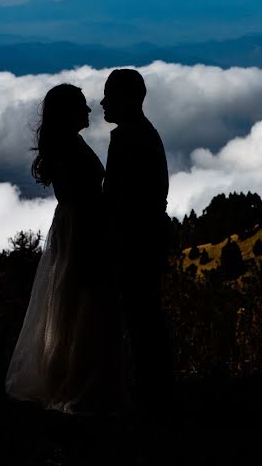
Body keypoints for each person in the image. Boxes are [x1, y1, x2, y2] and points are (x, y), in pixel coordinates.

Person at [5, 83, 124, 415]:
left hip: (75, 228)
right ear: (68, 113)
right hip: (82, 231)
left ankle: (70, 376)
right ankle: (76, 382)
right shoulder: (69, 149)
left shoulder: (66, 145)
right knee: (82, 304)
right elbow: (81, 195)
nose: (88, 111)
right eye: (81, 107)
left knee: (73, 304)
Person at [101, 69, 173, 411]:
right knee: (145, 319)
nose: (102, 103)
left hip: (133, 247)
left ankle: (151, 395)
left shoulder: (128, 139)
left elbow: (119, 199)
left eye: (109, 96)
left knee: (140, 320)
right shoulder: (145, 134)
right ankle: (154, 389)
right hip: (146, 243)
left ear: (126, 99)